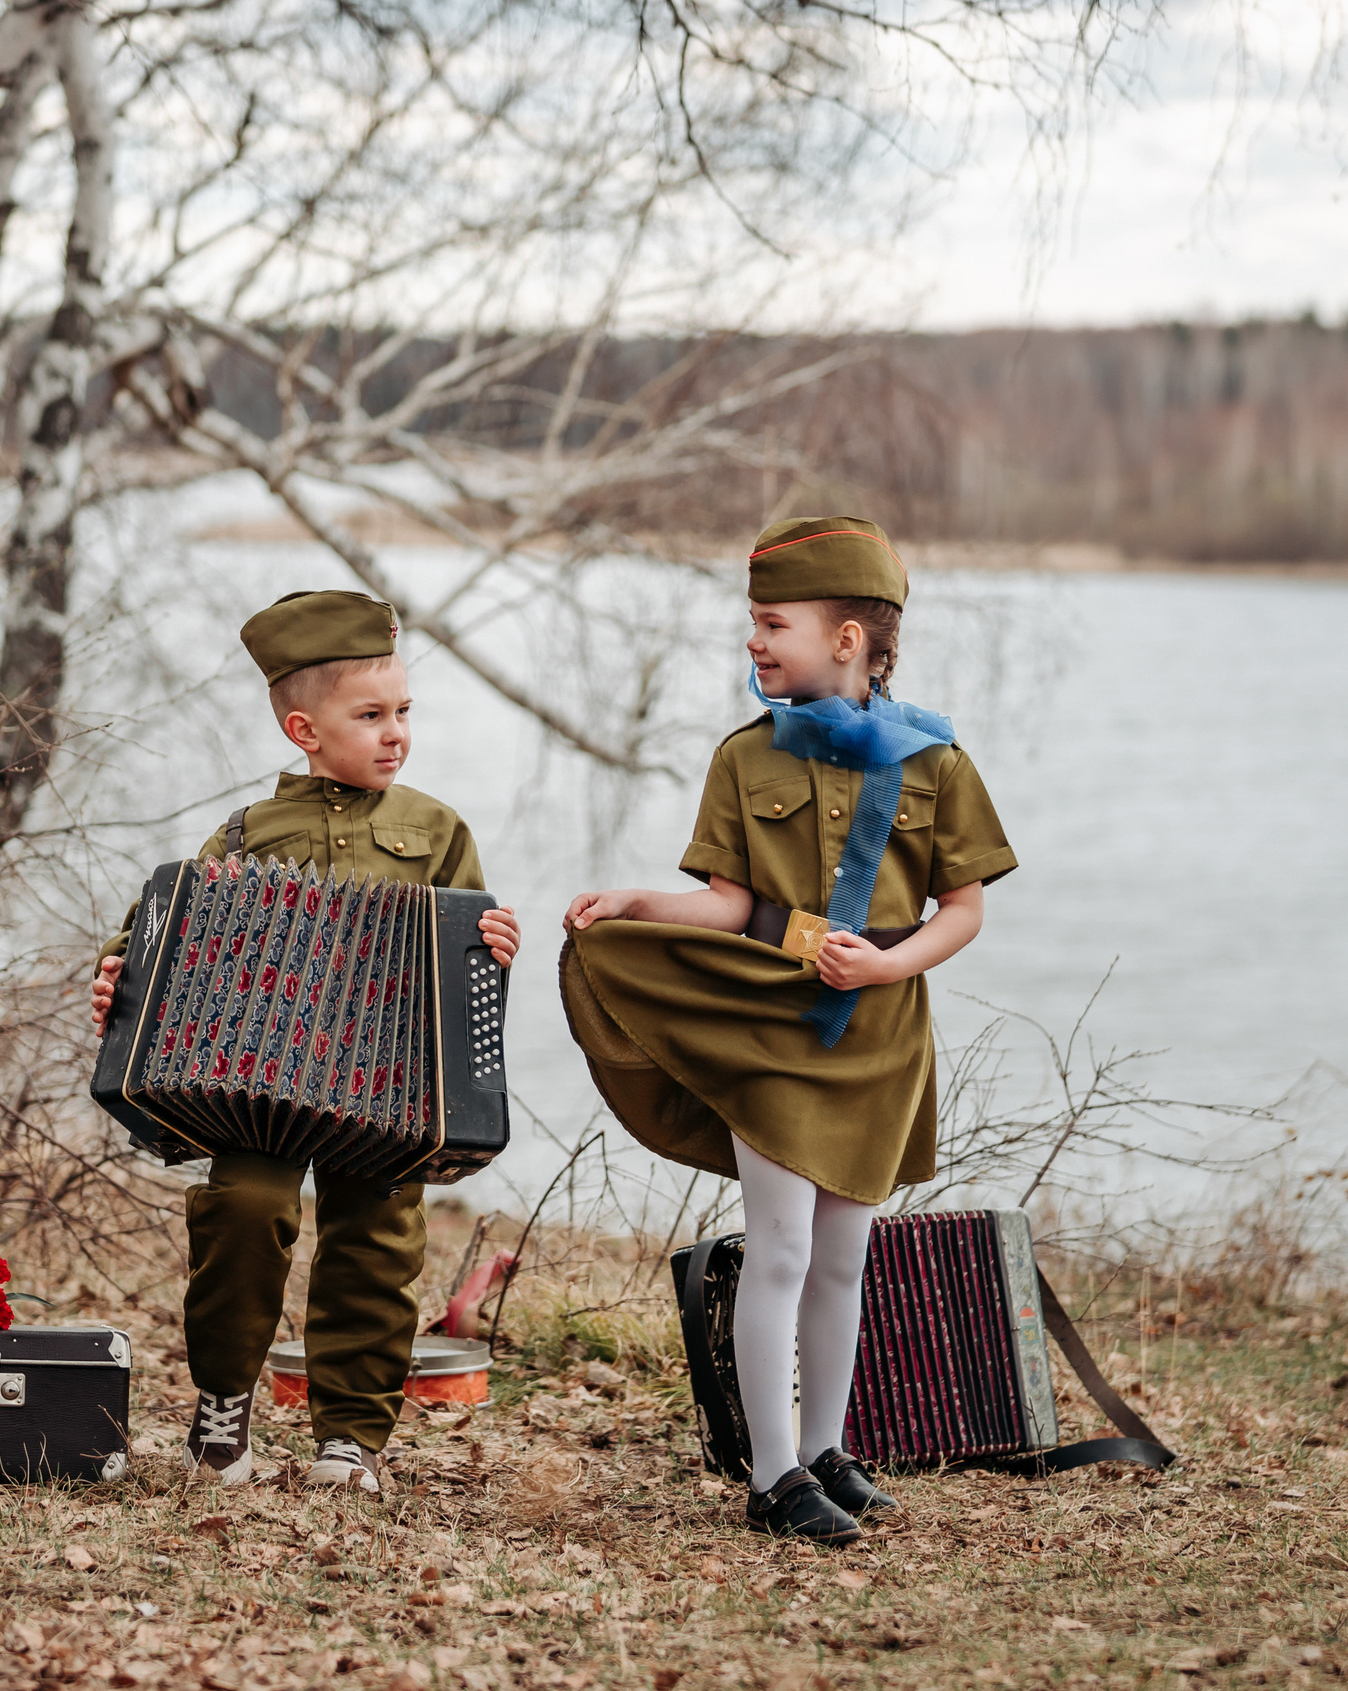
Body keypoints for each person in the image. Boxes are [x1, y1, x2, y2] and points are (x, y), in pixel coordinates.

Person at [559, 517, 1014, 1545]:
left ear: (847, 639)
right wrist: (636, 902)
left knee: (844, 1255)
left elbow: (963, 910)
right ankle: (772, 1476)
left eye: (774, 623)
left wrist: (889, 964)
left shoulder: (937, 764)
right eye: (753, 622)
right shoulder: (743, 756)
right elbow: (727, 905)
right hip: (768, 1023)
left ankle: (825, 1451)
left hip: (880, 1030)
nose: (753, 640)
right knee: (778, 1248)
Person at [89, 590, 519, 1494]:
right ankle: (222, 1406)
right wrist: (115, 975)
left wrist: (492, 948)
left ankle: (351, 1437)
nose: (396, 733)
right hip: (257, 1086)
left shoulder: (438, 831)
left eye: (404, 711)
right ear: (304, 730)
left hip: (390, 1085)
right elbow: (158, 933)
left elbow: (468, 953)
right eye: (371, 716)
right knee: (244, 1209)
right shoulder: (247, 834)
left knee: (378, 1237)